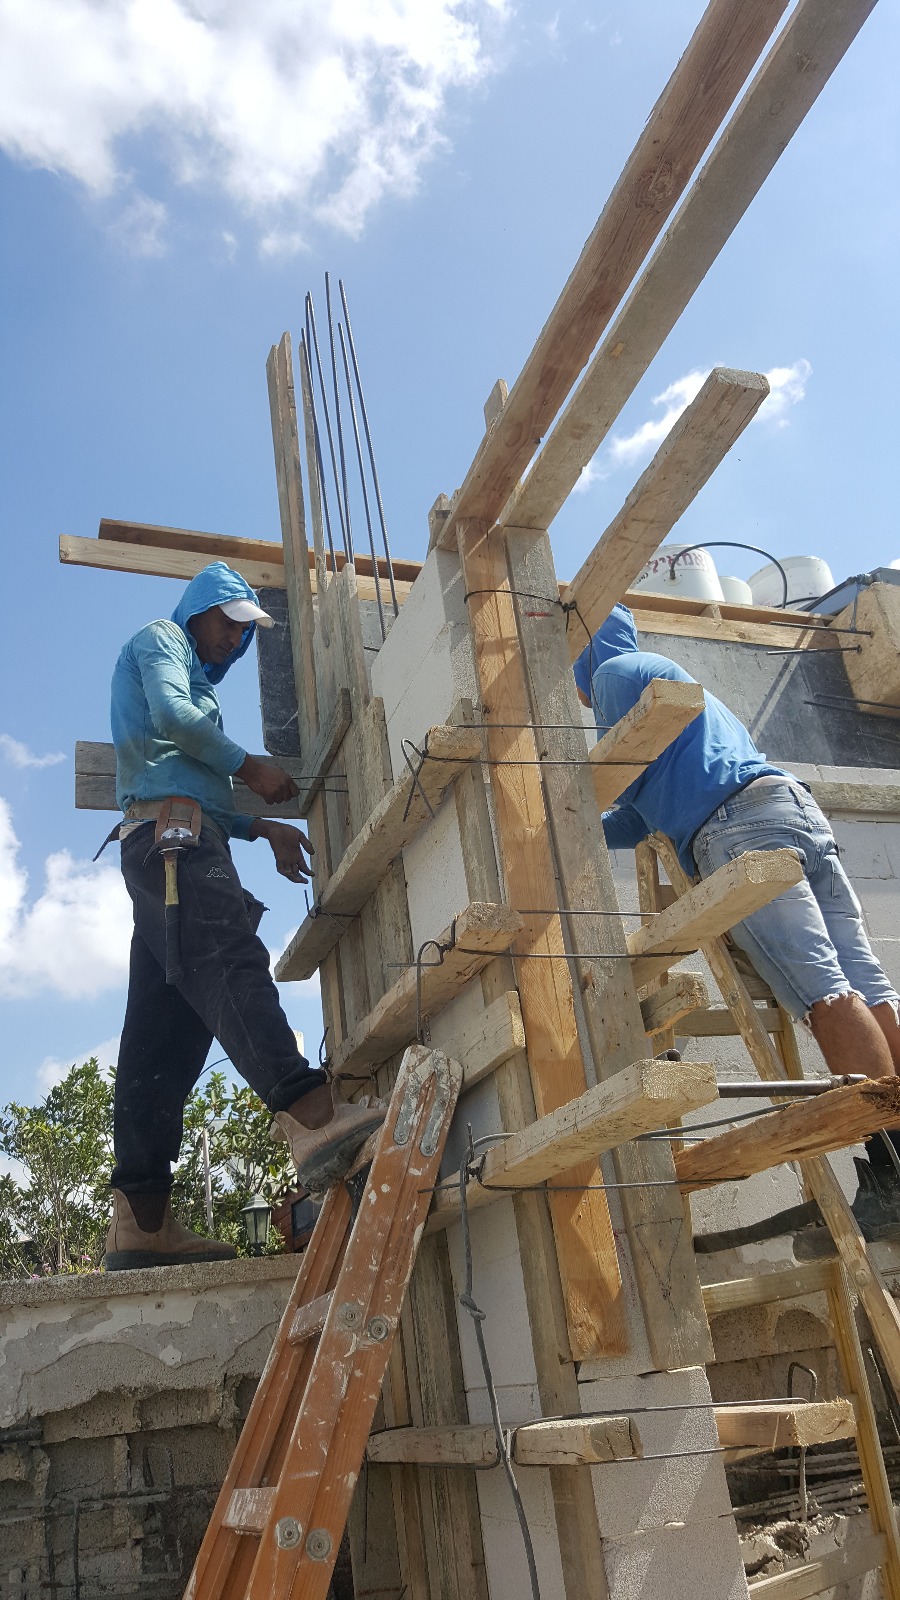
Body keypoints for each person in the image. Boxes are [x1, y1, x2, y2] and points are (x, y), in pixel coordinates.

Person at [574, 603, 900, 1236]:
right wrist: (580, 823)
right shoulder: (665, 683)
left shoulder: (615, 674)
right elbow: (635, 817)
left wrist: (563, 795)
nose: (580, 696)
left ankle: (890, 1166)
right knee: (867, 985)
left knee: (822, 992)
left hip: (736, 828)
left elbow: (616, 771)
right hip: (787, 807)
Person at [105, 561, 383, 1270]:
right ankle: (312, 1117)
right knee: (230, 958)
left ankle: (142, 1221)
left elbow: (183, 770)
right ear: (197, 609)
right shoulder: (160, 640)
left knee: (161, 1036)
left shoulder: (195, 683)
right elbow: (172, 717)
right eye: (228, 623)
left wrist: (261, 830)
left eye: (244, 631)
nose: (234, 640)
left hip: (167, 840)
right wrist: (250, 765)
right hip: (176, 845)